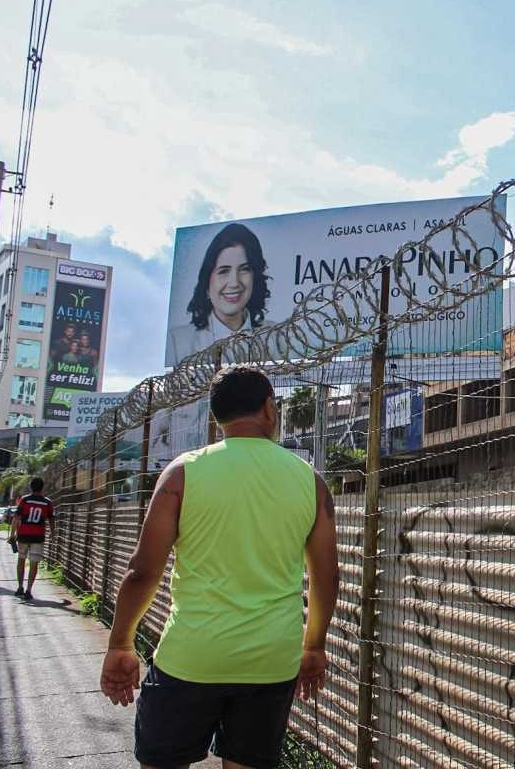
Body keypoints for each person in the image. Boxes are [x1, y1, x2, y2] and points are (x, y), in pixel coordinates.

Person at [99, 366, 339, 769]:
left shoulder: (181, 474)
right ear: (269, 408)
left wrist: (121, 643)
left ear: (216, 415)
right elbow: (326, 575)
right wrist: (313, 646)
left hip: (191, 657)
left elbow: (143, 570)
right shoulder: (310, 481)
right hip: (270, 661)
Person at [167, 223, 275, 363]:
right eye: (224, 271)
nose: (234, 282)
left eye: (244, 269)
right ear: (207, 280)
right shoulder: (177, 342)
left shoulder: (276, 336)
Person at [12, 477, 54, 600]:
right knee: (34, 564)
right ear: (42, 487)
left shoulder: (25, 500)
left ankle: (20, 587)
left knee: (21, 560)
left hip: (23, 535)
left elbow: (16, 517)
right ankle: (29, 590)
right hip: (38, 536)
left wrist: (12, 534)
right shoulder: (47, 502)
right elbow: (51, 518)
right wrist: (53, 532)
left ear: (31, 487)